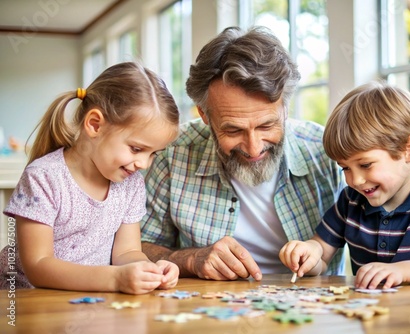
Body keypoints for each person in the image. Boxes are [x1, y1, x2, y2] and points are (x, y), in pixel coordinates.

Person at [140, 26, 346, 281]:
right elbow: (135, 248)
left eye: (266, 125)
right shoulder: (171, 154)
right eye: (233, 130)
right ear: (204, 115)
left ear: (285, 106)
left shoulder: (327, 153)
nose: (254, 147)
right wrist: (190, 259)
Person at [279, 81, 410, 289]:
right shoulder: (351, 200)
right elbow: (322, 256)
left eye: (365, 165)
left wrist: (401, 271)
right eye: (345, 168)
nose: (355, 180)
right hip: (369, 317)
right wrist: (310, 252)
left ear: (409, 150)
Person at [0, 62, 180, 294]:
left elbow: (126, 252)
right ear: (95, 125)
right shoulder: (43, 178)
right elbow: (38, 266)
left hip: (88, 300)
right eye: (136, 149)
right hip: (27, 300)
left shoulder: (130, 184)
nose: (144, 164)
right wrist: (115, 280)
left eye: (153, 153)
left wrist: (149, 270)